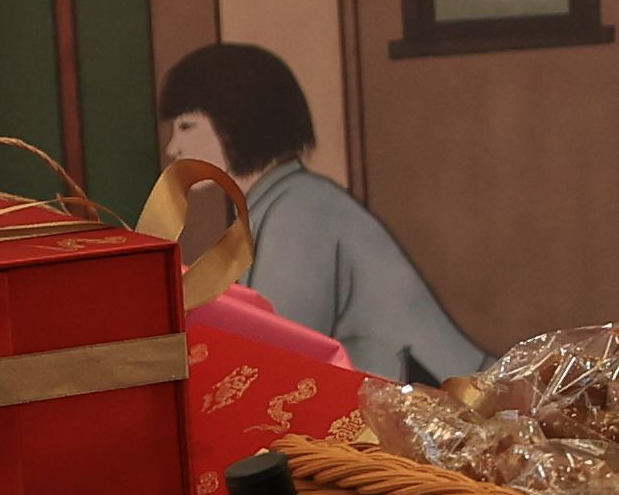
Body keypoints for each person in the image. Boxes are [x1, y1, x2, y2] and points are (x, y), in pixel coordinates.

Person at [158, 42, 487, 381]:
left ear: (236, 120)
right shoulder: (286, 201)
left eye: (186, 126)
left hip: (444, 401)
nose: (173, 147)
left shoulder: (297, 213)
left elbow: (278, 362)